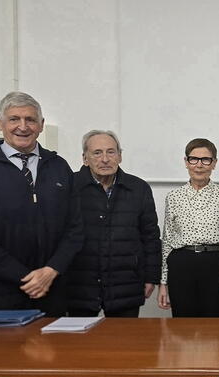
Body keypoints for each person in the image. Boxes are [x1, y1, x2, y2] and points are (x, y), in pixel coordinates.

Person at [0, 91, 83, 316]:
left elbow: (75, 230)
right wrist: (25, 278)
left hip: (53, 291)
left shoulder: (59, 167)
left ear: (41, 125)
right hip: (1, 295)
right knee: (2, 353)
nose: (22, 127)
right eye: (14, 119)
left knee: (55, 352)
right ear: (0, 123)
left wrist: (50, 271)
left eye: (30, 119)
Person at [66, 130, 161, 317]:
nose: (105, 159)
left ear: (120, 156)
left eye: (111, 152)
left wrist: (151, 277)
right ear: (85, 158)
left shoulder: (138, 188)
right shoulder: (70, 186)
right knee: (78, 344)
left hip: (126, 283)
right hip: (79, 283)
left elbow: (150, 236)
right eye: (97, 153)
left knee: (124, 344)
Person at [158, 138, 219, 317]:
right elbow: (167, 240)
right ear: (186, 162)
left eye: (206, 160)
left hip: (215, 264)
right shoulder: (174, 196)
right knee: (183, 326)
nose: (199, 165)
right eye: (194, 159)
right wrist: (163, 282)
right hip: (182, 264)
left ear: (214, 163)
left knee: (216, 325)